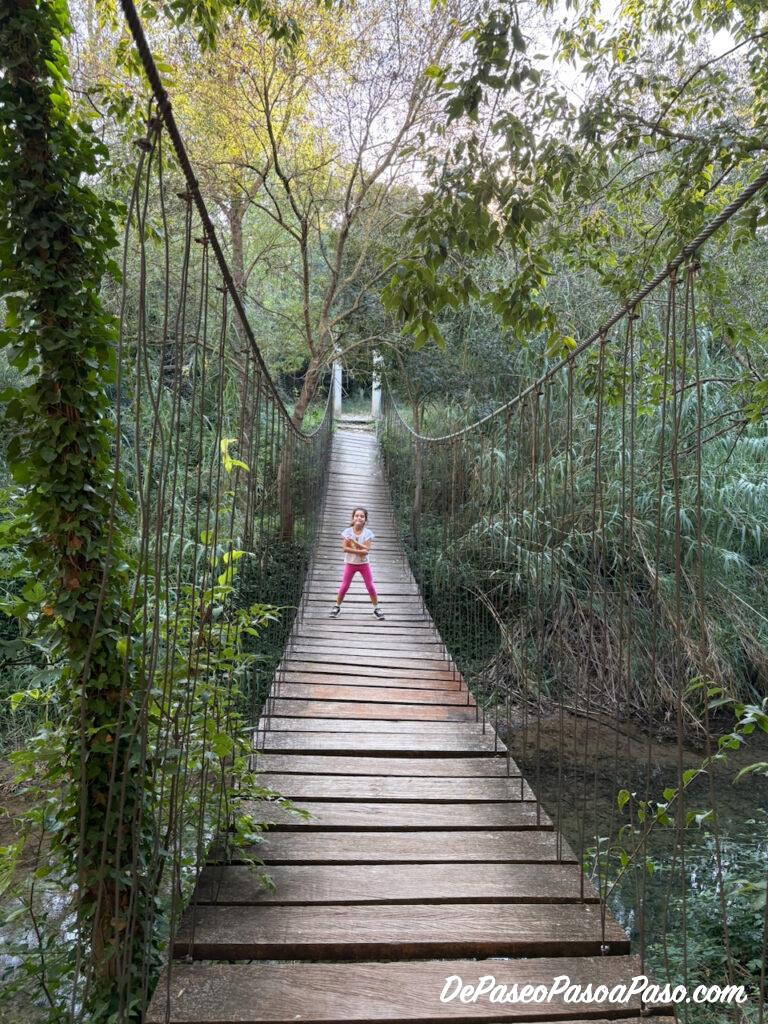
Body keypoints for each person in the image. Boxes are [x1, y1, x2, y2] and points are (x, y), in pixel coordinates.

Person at [330, 507, 384, 619]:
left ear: (365, 519)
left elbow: (367, 549)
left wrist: (354, 542)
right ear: (353, 518)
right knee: (344, 585)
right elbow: (344, 548)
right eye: (357, 515)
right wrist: (360, 551)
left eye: (362, 516)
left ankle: (376, 608)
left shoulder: (368, 533)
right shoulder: (347, 532)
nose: (359, 518)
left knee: (370, 586)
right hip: (350, 563)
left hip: (364, 564)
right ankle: (337, 606)